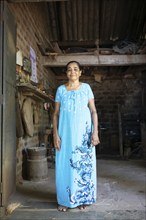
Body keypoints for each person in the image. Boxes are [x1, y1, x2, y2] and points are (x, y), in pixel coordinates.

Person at [53, 61, 100, 212]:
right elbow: (55, 114)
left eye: (75, 69)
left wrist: (95, 132)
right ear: (66, 73)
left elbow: (93, 111)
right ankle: (65, 200)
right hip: (65, 136)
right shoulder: (61, 90)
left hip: (83, 136)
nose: (72, 72)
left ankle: (83, 198)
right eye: (69, 69)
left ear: (80, 73)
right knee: (64, 166)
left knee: (83, 167)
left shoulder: (86, 88)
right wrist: (55, 134)